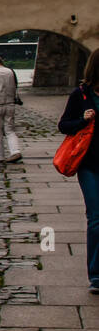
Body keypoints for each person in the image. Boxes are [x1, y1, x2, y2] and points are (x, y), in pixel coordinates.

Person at [59, 50, 99, 293]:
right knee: (96, 219)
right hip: (89, 165)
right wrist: (83, 120)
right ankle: (96, 276)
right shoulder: (81, 94)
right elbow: (64, 125)